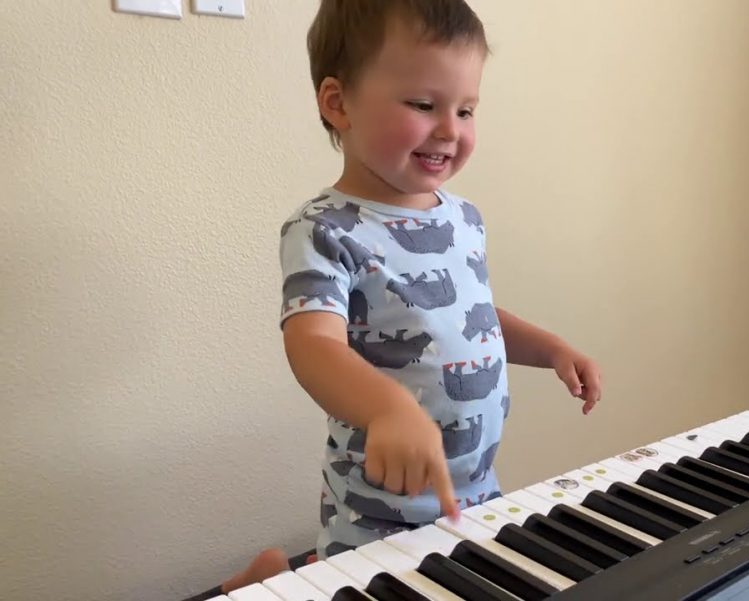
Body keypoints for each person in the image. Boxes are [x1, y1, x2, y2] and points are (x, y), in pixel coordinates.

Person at [186, 1, 601, 598]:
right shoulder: (325, 229)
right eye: (423, 105)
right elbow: (312, 344)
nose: (450, 130)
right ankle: (267, 583)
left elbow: (471, 317)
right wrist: (387, 409)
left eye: (466, 109)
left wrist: (552, 348)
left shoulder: (464, 218)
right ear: (339, 104)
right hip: (378, 503)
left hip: (475, 485)